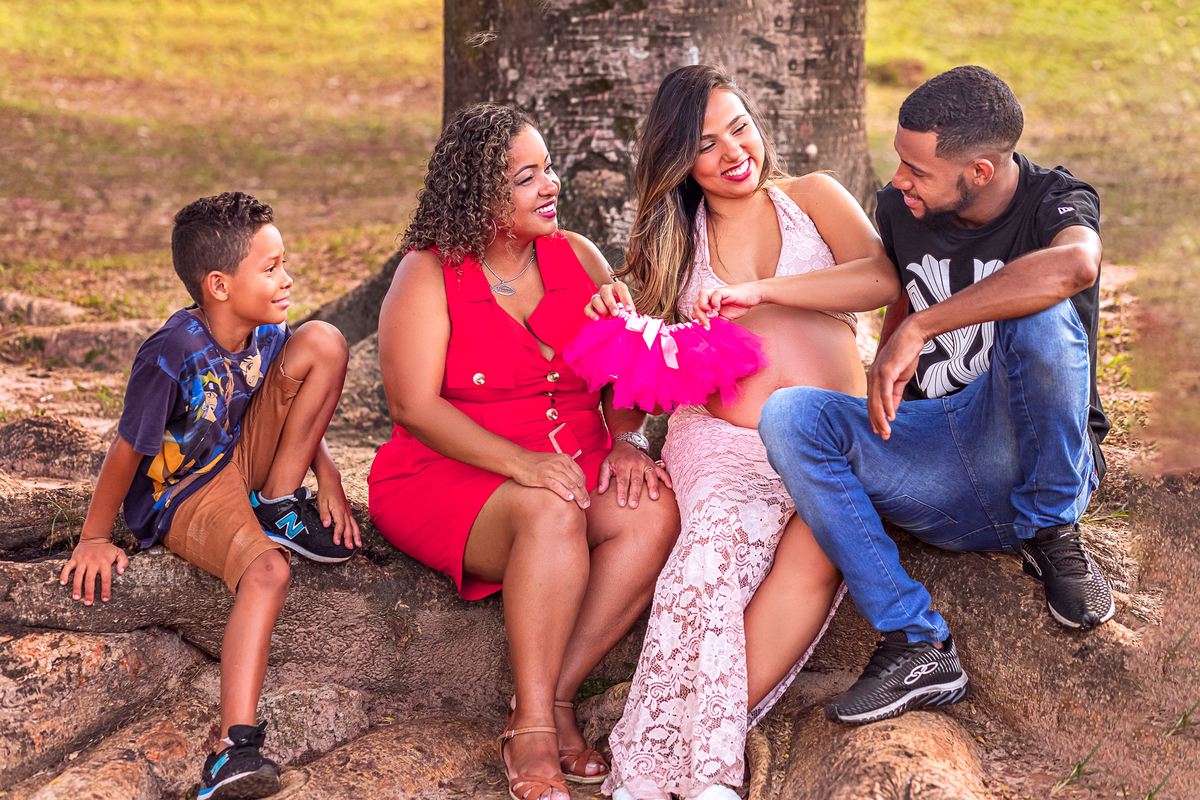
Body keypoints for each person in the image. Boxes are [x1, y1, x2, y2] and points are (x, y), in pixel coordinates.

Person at [757, 65, 1114, 726]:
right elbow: (905, 297)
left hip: (1026, 451)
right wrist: (887, 360)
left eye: (917, 169)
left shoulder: (1055, 201)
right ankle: (916, 642)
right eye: (900, 161)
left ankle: (1052, 532)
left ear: (980, 171)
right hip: (937, 459)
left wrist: (922, 327)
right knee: (791, 415)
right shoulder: (902, 208)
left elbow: (1075, 266)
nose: (899, 179)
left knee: (1041, 313)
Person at [591, 65, 901, 800]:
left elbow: (882, 280)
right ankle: (675, 777)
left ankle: (690, 759)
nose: (734, 151)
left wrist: (763, 291)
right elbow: (636, 376)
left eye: (740, 128)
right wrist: (625, 429)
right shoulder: (672, 248)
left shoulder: (812, 196)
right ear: (679, 162)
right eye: (706, 144)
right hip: (724, 444)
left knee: (820, 551)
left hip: (829, 440)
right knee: (708, 552)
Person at [367, 104, 680, 800]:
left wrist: (628, 440)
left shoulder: (579, 257)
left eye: (549, 168)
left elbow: (622, 377)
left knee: (653, 509)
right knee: (549, 507)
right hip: (450, 474)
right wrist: (522, 465)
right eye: (526, 177)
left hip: (571, 460)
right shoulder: (427, 274)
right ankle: (533, 729)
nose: (550, 186)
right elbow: (413, 406)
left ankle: (553, 696)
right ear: (480, 195)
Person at [59, 192, 361, 800]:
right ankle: (232, 749)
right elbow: (127, 450)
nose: (287, 279)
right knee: (269, 572)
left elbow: (291, 404)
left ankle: (278, 504)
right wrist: (94, 536)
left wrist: (325, 473)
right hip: (186, 493)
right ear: (219, 286)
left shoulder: (267, 332)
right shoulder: (170, 353)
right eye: (271, 268)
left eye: (283, 264)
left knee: (324, 340)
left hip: (243, 458)